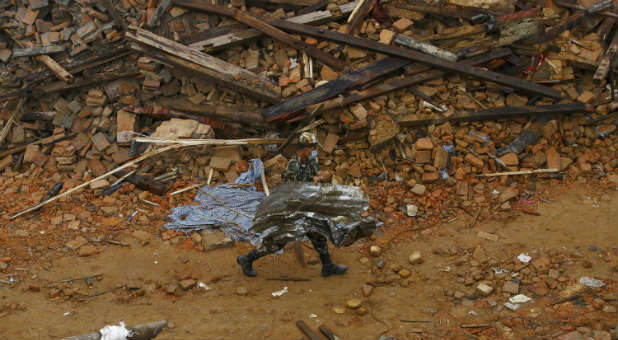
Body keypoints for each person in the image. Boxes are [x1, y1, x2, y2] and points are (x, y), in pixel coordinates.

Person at [237, 133, 348, 277]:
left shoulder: (310, 161)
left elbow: (317, 173)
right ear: (304, 148)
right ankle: (247, 259)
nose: (314, 150)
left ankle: (327, 266)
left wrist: (323, 175)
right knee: (279, 241)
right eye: (312, 148)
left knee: (318, 234)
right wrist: (313, 182)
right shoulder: (293, 167)